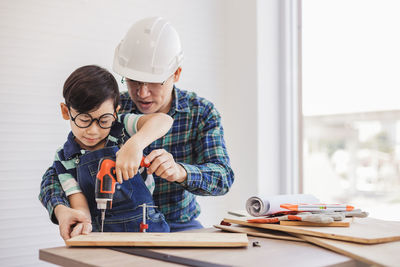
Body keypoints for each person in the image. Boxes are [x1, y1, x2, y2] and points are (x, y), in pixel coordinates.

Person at [39, 17, 234, 238]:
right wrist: (61, 209)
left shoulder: (200, 113)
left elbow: (223, 177)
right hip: (115, 227)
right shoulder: (111, 110)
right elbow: (58, 171)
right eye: (133, 80)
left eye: (153, 82)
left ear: (176, 74)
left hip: (178, 226)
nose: (142, 93)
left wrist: (180, 172)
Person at [48, 64, 173, 238]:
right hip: (104, 233)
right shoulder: (65, 157)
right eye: (84, 119)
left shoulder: (122, 127)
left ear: (115, 113)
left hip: (149, 227)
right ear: (65, 111)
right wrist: (83, 228)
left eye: (104, 120)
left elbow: (163, 120)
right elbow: (79, 204)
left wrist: (134, 144)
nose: (93, 130)